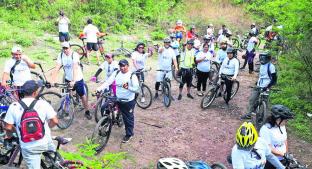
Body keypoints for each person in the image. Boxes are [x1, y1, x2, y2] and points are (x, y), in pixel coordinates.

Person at [4, 80, 58, 169]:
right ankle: (58, 162)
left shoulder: (14, 106)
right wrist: (45, 128)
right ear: (35, 93)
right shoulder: (43, 104)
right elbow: (55, 121)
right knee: (53, 157)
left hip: (29, 147)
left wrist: (11, 135)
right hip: (46, 141)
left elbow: (8, 128)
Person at [96, 59, 139, 143]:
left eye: (124, 66)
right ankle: (106, 122)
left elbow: (137, 89)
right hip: (117, 97)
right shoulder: (116, 73)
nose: (122, 68)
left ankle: (129, 134)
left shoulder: (132, 76)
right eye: (121, 66)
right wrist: (99, 89)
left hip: (128, 101)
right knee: (104, 107)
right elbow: (108, 82)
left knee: (128, 118)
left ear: (127, 66)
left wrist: (127, 87)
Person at [51, 42, 91, 120]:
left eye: (67, 48)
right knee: (65, 94)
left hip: (77, 79)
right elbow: (57, 68)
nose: (65, 50)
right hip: (67, 78)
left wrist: (74, 80)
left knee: (82, 95)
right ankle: (65, 111)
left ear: (70, 48)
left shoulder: (74, 55)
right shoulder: (61, 55)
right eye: (64, 48)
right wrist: (52, 80)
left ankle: (87, 111)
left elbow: (75, 67)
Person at [241, 52, 277, 119]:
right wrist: (257, 82)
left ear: (268, 59)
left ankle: (261, 117)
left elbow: (274, 79)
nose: (262, 59)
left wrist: (268, 86)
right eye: (261, 58)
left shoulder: (271, 67)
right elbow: (261, 76)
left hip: (266, 86)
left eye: (263, 58)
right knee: (252, 99)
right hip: (259, 85)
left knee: (264, 102)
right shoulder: (262, 65)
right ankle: (249, 114)